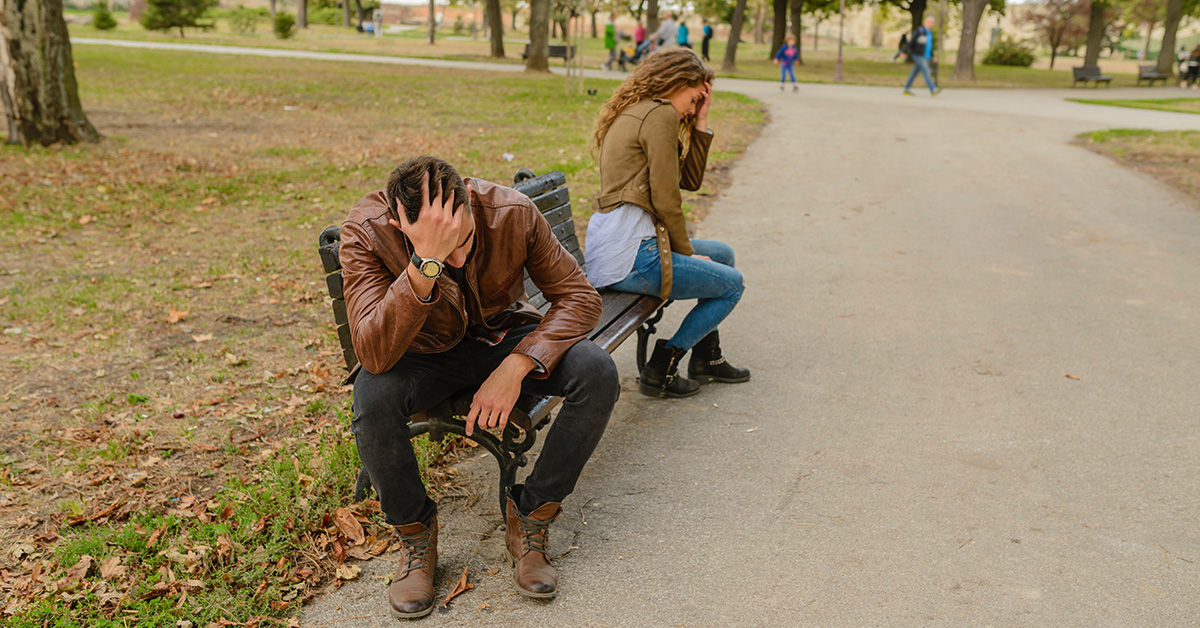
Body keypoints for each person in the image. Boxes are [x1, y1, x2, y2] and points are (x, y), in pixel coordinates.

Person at [341, 156, 619, 617]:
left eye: (462, 240)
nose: (456, 259)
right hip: (420, 350)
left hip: (501, 337)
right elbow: (373, 354)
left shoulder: (511, 211)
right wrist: (423, 265)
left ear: (469, 200)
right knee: (372, 398)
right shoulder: (368, 231)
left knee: (597, 370)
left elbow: (579, 298)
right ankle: (415, 537)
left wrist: (517, 364)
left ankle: (530, 518)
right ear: (399, 224)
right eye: (440, 251)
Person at [588, 49, 750, 399]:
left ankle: (706, 358)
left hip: (624, 246)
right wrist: (687, 253)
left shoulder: (643, 110)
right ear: (676, 82)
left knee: (723, 254)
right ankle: (663, 365)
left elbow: (688, 181)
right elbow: (665, 198)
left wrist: (701, 121)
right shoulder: (659, 114)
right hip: (632, 255)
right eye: (693, 100)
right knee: (733, 285)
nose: (692, 109)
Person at [903, 16, 940, 97]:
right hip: (919, 55)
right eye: (928, 22)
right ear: (925, 22)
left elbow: (929, 46)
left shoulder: (929, 33)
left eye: (931, 23)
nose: (930, 24)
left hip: (925, 56)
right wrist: (905, 52)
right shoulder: (920, 31)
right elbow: (912, 42)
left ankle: (906, 88)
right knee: (926, 71)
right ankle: (933, 89)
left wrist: (933, 56)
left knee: (914, 73)